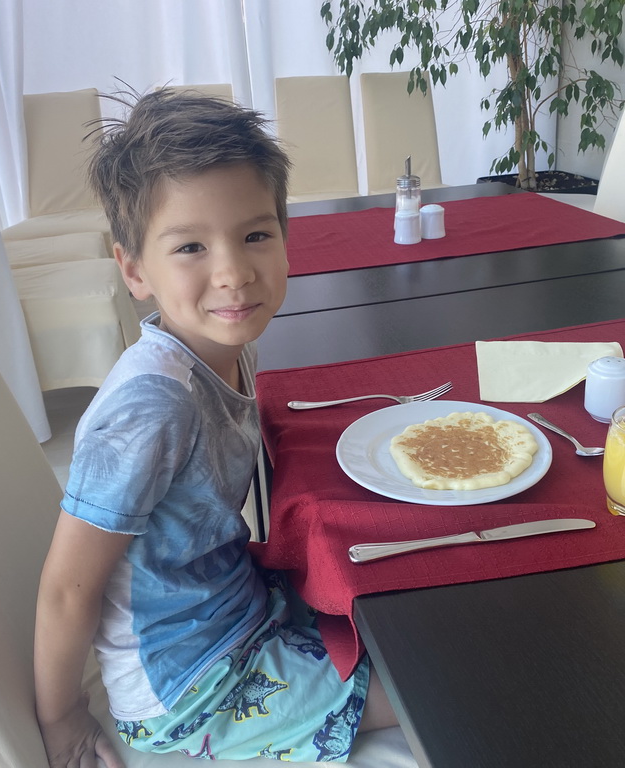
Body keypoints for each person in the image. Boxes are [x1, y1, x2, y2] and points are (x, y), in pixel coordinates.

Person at [32, 88, 397, 768]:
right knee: (423, 685)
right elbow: (67, 587)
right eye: (191, 247)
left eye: (255, 234)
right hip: (191, 689)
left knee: (405, 602)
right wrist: (62, 717)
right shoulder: (151, 408)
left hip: (239, 610)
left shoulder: (223, 346)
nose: (233, 273)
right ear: (134, 269)